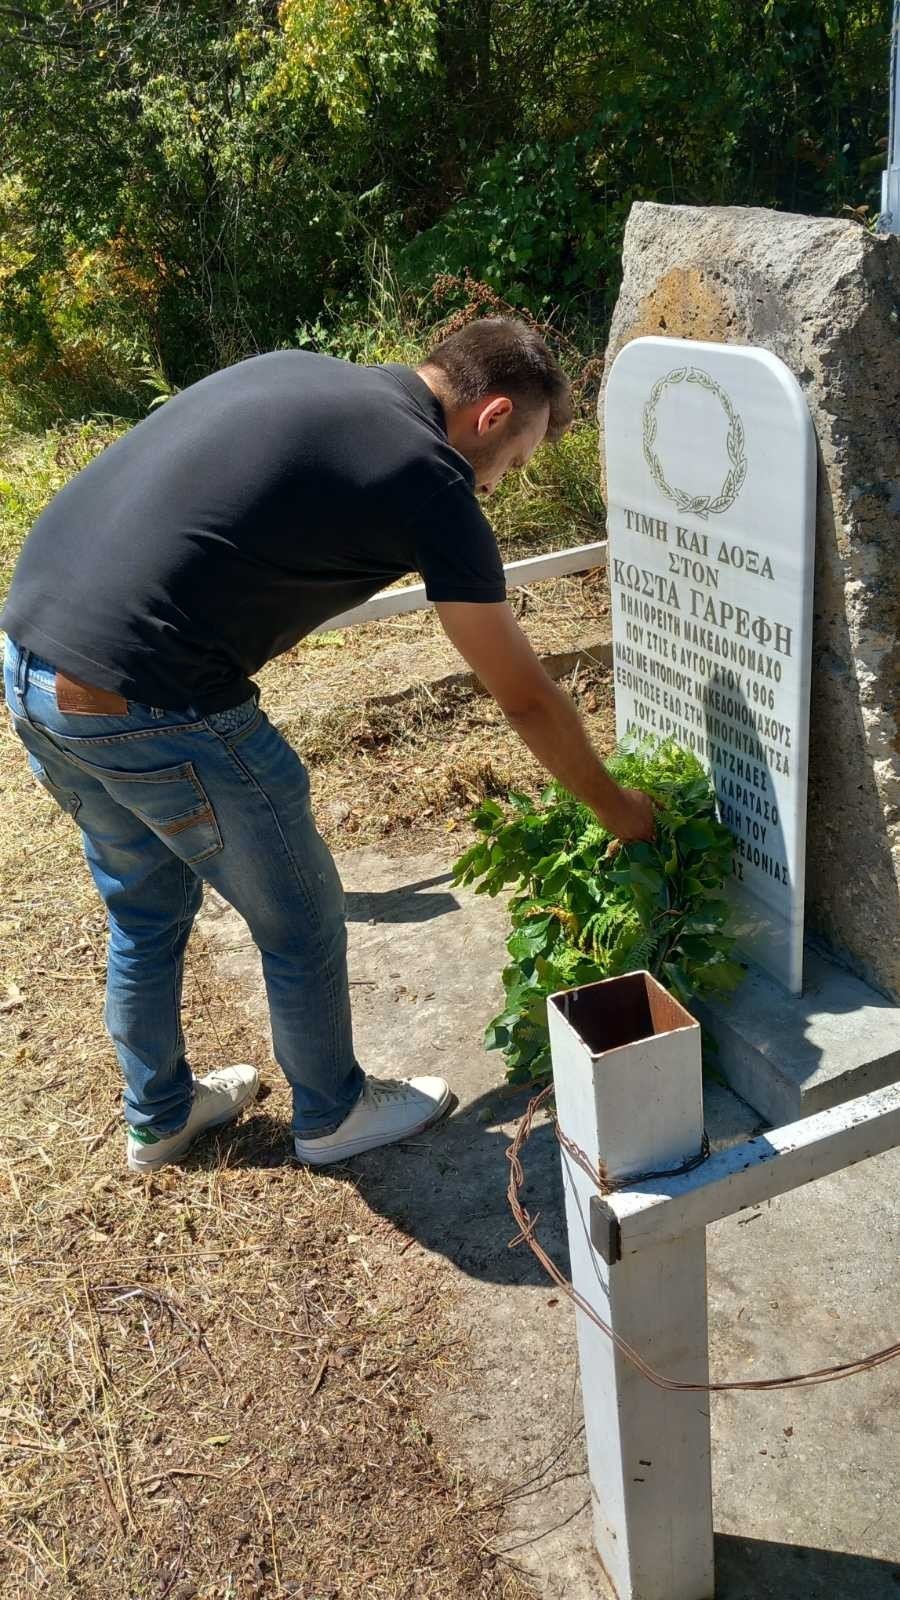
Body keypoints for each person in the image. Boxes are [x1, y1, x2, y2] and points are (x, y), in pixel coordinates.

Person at [1, 318, 655, 1175]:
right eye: (517, 459)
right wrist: (620, 811)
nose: (500, 485)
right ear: (491, 416)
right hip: (153, 699)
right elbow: (526, 695)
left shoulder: (301, 369)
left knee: (146, 906)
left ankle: (158, 1115)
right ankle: (334, 1113)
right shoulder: (431, 476)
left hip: (32, 665)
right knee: (302, 918)